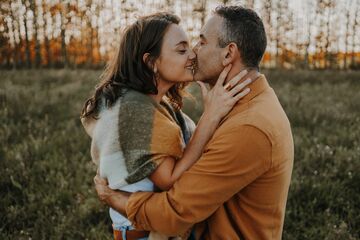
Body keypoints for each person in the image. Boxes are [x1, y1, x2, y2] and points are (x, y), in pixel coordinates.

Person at [94, 6, 294, 240]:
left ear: (229, 54)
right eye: (185, 48)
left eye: (201, 42)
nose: (193, 53)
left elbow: (174, 212)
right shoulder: (241, 106)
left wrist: (115, 199)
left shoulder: (249, 127)